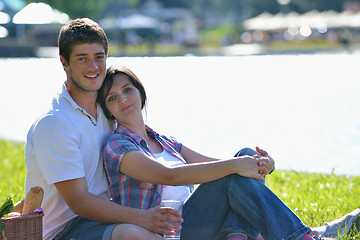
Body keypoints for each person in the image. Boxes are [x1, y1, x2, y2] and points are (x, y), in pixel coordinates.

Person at [97, 65, 337, 240]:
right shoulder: (117, 146)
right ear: (108, 110)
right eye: (112, 98)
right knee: (232, 170)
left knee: (240, 158)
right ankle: (299, 237)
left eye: (128, 90)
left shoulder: (165, 141)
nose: (123, 99)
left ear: (140, 93)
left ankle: (237, 235)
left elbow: (218, 165)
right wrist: (237, 165)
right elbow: (170, 176)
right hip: (170, 231)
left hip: (200, 221)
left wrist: (265, 163)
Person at [24, 18, 182, 240]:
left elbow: (150, 144)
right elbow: (79, 202)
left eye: (99, 57)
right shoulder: (55, 122)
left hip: (106, 218)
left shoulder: (107, 108)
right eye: (82, 59)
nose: (93, 67)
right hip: (65, 230)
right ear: (64, 63)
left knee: (232, 178)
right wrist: (142, 217)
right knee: (133, 234)